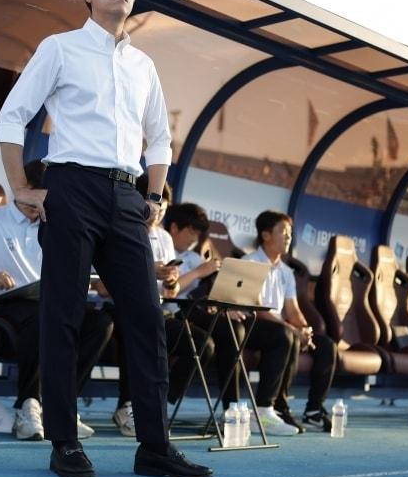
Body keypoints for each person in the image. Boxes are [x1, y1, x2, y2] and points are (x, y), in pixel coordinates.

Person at [0, 0, 212, 477]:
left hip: (126, 196)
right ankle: (64, 440)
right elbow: (12, 115)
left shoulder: (143, 66)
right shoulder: (60, 47)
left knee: (146, 318)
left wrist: (155, 197)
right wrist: (20, 187)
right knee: (64, 314)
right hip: (71, 187)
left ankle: (154, 447)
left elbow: (159, 137)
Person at [0, 161, 113, 441]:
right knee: (45, 317)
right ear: (23, 189)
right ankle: (28, 406)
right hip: (3, 305)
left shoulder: (57, 225)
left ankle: (62, 406)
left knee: (100, 323)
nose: (40, 206)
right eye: (37, 199)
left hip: (46, 300)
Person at [169, 204, 295, 436]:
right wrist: (198, 273)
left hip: (204, 312)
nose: (194, 239)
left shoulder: (195, 258)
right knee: (228, 331)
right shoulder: (162, 249)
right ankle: (231, 408)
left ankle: (262, 409)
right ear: (174, 228)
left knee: (279, 334)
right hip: (177, 312)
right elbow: (169, 292)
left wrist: (224, 305)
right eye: (190, 233)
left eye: (198, 235)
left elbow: (212, 291)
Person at [105, 180, 216, 437]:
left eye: (162, 211)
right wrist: (148, 271)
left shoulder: (164, 236)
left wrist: (171, 280)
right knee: (139, 329)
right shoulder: (118, 227)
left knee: (202, 344)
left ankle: (157, 404)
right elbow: (105, 282)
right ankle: (128, 405)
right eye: (154, 209)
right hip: (120, 306)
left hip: (158, 308)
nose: (157, 216)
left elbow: (172, 290)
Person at [242, 211, 337, 434]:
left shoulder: (286, 271)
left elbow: (293, 310)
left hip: (278, 326)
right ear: (265, 235)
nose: (288, 237)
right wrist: (293, 329)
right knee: (286, 336)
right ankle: (272, 408)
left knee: (326, 346)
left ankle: (313, 410)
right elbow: (259, 310)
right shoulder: (250, 263)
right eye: (283, 232)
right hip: (254, 325)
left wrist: (304, 329)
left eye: (290, 233)